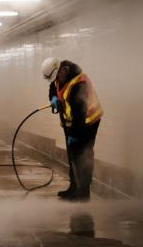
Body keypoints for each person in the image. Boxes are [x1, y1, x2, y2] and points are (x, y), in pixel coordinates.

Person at [41, 57, 103, 201]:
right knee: (72, 155)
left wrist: (74, 135)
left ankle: (84, 192)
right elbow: (53, 88)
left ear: (64, 70)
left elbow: (80, 114)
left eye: (57, 77)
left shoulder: (79, 83)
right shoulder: (59, 77)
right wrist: (53, 99)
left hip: (88, 123)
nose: (56, 80)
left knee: (83, 155)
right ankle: (74, 187)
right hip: (71, 124)